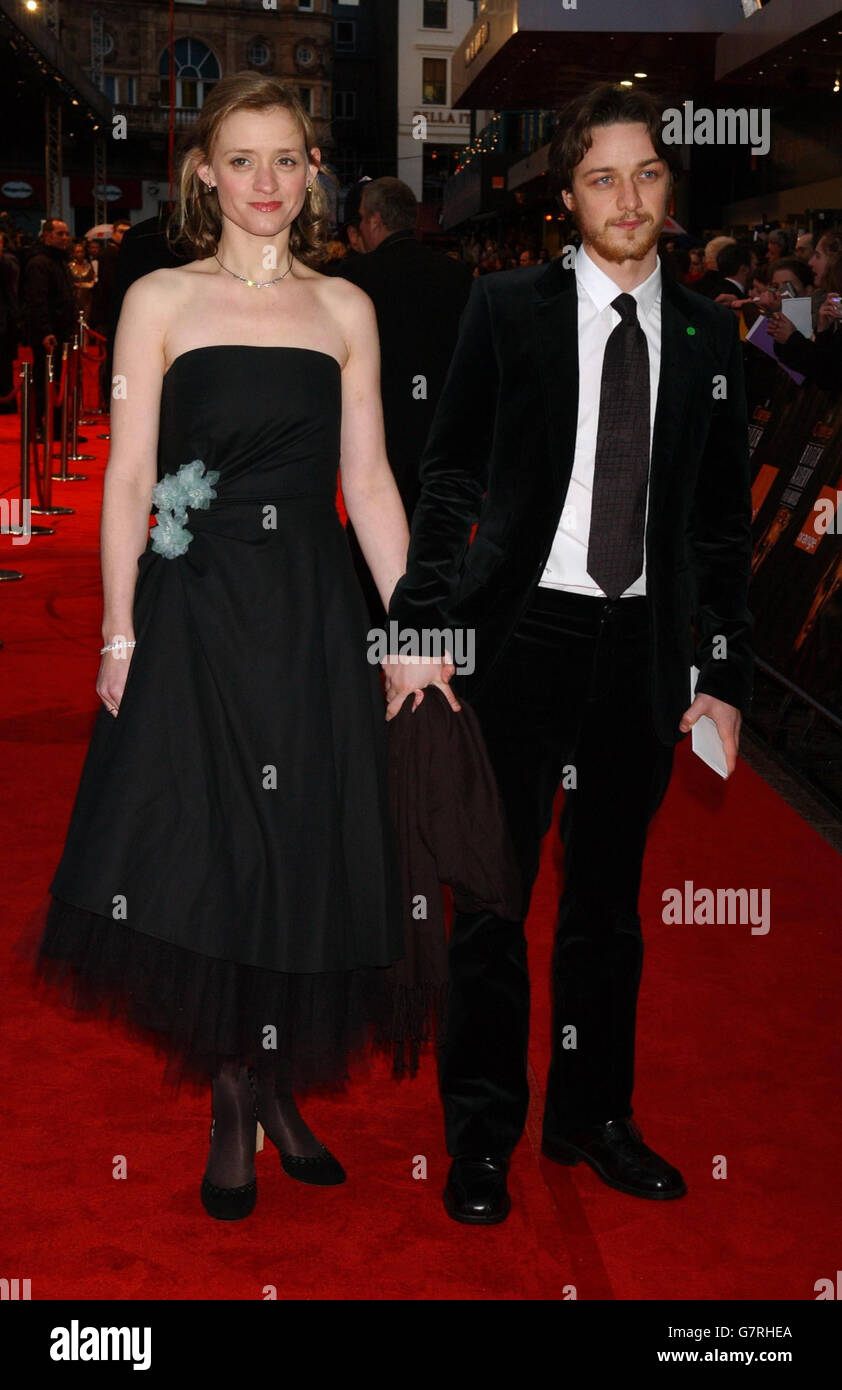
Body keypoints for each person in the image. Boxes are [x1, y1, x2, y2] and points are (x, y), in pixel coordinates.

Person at [27, 72, 414, 1222]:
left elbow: (368, 482)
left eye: (284, 158)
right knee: (219, 847)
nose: (264, 181)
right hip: (195, 608)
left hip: (310, 614)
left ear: (312, 171)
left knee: (300, 844)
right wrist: (118, 628)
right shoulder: (159, 298)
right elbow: (130, 478)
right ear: (204, 173)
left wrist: (415, 627)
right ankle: (234, 1096)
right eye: (240, 159)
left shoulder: (345, 309)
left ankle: (276, 1083)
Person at [385, 82, 754, 1224]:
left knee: (606, 907)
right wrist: (421, 622)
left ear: (669, 188)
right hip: (522, 636)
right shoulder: (506, 308)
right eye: (602, 178)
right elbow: (449, 474)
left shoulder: (710, 334)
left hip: (640, 648)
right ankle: (481, 1134)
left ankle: (592, 1116)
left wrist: (722, 674)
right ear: (567, 196)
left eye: (646, 174)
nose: (627, 198)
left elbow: (718, 526)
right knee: (491, 901)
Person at [335, 177, 472, 622]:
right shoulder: (456, 276)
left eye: (361, 219)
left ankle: (376, 635)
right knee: (438, 545)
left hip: (378, 438)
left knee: (369, 548)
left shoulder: (353, 279)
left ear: (374, 220)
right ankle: (432, 640)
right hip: (442, 440)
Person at [768, 226, 842, 392]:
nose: (811, 262)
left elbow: (831, 374)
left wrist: (791, 338)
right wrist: (823, 330)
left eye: (818, 256)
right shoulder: (831, 301)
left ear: (835, 262)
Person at [19, 217, 75, 439]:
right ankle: (39, 427)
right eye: (60, 234)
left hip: (62, 332)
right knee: (45, 382)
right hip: (48, 334)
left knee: (59, 381)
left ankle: (57, 427)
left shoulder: (59, 261)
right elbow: (36, 300)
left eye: (66, 233)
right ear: (47, 235)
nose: (65, 238)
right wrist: (45, 331)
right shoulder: (39, 263)